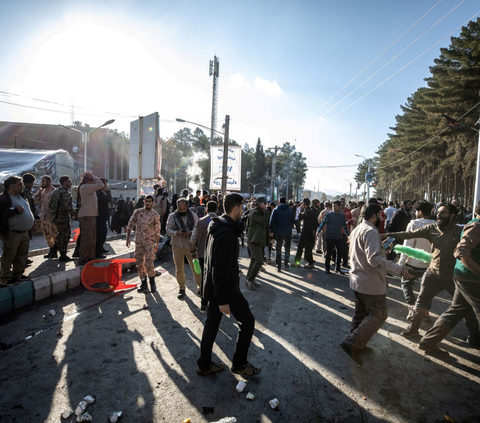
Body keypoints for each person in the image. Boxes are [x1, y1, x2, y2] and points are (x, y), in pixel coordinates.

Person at [385, 204, 480, 341]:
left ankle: (475, 336)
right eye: (437, 212)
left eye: (443, 213)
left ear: (452, 215)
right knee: (421, 304)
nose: (438, 215)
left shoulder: (460, 231)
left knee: (464, 307)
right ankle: (412, 330)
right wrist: (387, 235)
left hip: (452, 277)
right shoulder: (431, 228)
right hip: (432, 274)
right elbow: (409, 234)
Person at [340, 203, 412, 365]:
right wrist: (399, 269)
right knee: (379, 314)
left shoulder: (359, 229)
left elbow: (366, 254)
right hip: (370, 282)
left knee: (361, 314)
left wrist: (382, 250)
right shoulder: (371, 231)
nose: (381, 219)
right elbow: (373, 260)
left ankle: (357, 344)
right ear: (373, 216)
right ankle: (352, 343)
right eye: (379, 215)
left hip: (358, 280)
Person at [197, 193, 261, 376]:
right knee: (247, 321)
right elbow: (220, 268)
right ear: (236, 208)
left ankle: (204, 363)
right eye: (242, 207)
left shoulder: (219, 226)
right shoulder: (226, 233)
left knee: (211, 325)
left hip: (215, 287)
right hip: (225, 290)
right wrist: (223, 300)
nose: (243, 211)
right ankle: (239, 364)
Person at [418, 201, 480, 356]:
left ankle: (429, 341)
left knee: (456, 311)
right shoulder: (476, 226)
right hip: (470, 278)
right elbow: (461, 251)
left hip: (464, 276)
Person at [397, 201, 436, 320]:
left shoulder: (413, 224)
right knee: (428, 289)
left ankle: (413, 306)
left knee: (406, 283)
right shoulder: (436, 224)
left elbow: (408, 245)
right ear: (432, 211)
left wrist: (401, 263)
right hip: (430, 263)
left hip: (413, 263)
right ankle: (424, 311)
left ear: (420, 212)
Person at [0, 176, 35, 285]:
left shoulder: (22, 196)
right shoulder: (3, 198)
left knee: (22, 255)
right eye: (20, 184)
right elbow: (1, 215)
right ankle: (6, 277)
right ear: (11, 186)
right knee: (9, 256)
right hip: (12, 233)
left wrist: (32, 224)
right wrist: (15, 211)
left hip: (24, 233)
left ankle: (18, 275)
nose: (23, 186)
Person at [166, 197, 202, 299]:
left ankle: (200, 287)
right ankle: (182, 288)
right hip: (177, 245)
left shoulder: (193, 216)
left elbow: (198, 228)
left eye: (184, 209)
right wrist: (176, 233)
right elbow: (167, 229)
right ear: (177, 207)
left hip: (191, 247)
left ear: (187, 207)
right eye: (180, 209)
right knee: (179, 269)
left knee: (196, 268)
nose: (182, 211)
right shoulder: (172, 216)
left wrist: (190, 232)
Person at [126, 195, 160, 293]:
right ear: (144, 202)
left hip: (149, 242)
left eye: (150, 201)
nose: (148, 203)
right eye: (146, 201)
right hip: (139, 242)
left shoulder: (155, 215)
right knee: (139, 262)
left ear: (153, 203)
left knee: (149, 262)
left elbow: (157, 231)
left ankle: (152, 282)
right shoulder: (138, 212)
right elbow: (130, 225)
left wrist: (156, 244)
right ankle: (143, 282)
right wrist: (128, 238)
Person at [190, 200, 218, 313]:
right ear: (217, 210)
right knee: (216, 279)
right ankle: (215, 304)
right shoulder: (220, 221)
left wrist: (192, 250)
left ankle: (203, 304)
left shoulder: (200, 222)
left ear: (206, 209)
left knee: (204, 280)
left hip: (202, 255)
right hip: (216, 256)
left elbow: (193, 238)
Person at [77, 172, 104, 265]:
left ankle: (90, 257)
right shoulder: (86, 187)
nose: (94, 182)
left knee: (92, 238)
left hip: (90, 215)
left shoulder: (89, 189)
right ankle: (83, 258)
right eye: (92, 180)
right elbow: (101, 184)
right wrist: (94, 176)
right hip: (86, 216)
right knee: (87, 238)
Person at [317, 200, 350, 274]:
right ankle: (327, 268)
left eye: (335, 206)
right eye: (333, 206)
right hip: (330, 236)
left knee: (339, 253)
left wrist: (348, 235)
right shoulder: (329, 215)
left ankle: (337, 268)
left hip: (339, 237)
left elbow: (344, 226)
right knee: (329, 253)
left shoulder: (342, 216)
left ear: (339, 207)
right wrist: (318, 231)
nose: (334, 208)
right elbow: (323, 223)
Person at [246, 196, 270, 289]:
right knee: (259, 261)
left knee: (254, 260)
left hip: (258, 240)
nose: (266, 205)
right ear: (260, 203)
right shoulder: (255, 212)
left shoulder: (260, 212)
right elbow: (263, 221)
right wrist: (267, 211)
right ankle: (250, 280)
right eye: (264, 203)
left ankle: (249, 279)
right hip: (254, 240)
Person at [49, 176, 75, 262]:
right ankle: (63, 255)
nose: (70, 183)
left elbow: (51, 205)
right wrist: (75, 213)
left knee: (58, 235)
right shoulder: (65, 193)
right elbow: (68, 207)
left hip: (55, 218)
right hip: (63, 218)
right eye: (69, 181)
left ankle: (54, 251)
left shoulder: (55, 191)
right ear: (64, 182)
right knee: (65, 236)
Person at [34, 175, 58, 259]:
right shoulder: (42, 192)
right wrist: (39, 192)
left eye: (44, 181)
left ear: (49, 181)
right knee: (47, 234)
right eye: (42, 181)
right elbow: (36, 200)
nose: (42, 183)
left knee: (54, 234)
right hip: (44, 217)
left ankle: (54, 251)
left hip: (52, 217)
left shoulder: (54, 191)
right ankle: (51, 250)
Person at [269, 196, 294, 272]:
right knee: (287, 247)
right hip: (287, 231)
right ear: (286, 202)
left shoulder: (275, 210)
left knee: (278, 248)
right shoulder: (290, 210)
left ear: (279, 202)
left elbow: (272, 222)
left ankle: (278, 265)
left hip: (278, 231)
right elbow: (292, 221)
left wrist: (271, 231)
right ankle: (286, 263)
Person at [294, 198, 317, 268]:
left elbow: (300, 217)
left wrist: (300, 210)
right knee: (302, 247)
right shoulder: (310, 210)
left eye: (302, 203)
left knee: (306, 247)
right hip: (307, 231)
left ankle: (310, 262)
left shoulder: (308, 211)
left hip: (307, 231)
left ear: (305, 204)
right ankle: (297, 262)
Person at [95, 178, 112, 258]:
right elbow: (107, 199)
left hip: (103, 216)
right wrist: (108, 191)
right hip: (99, 216)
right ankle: (97, 251)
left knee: (104, 233)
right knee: (100, 234)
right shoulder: (98, 193)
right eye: (105, 184)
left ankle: (101, 247)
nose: (106, 186)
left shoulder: (102, 193)